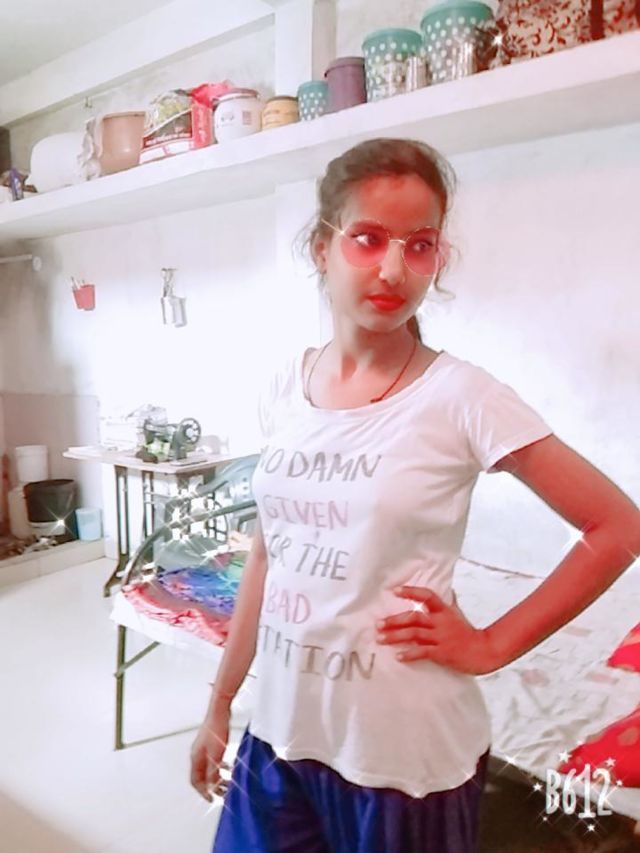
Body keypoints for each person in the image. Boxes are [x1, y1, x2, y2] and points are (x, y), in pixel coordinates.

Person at [190, 137, 640, 852]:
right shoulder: (284, 385)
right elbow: (269, 557)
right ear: (322, 247)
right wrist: (220, 702)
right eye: (368, 238)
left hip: (403, 762)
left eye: (420, 246)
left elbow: (617, 526)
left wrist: (491, 644)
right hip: (279, 735)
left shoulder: (462, 397)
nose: (394, 269)